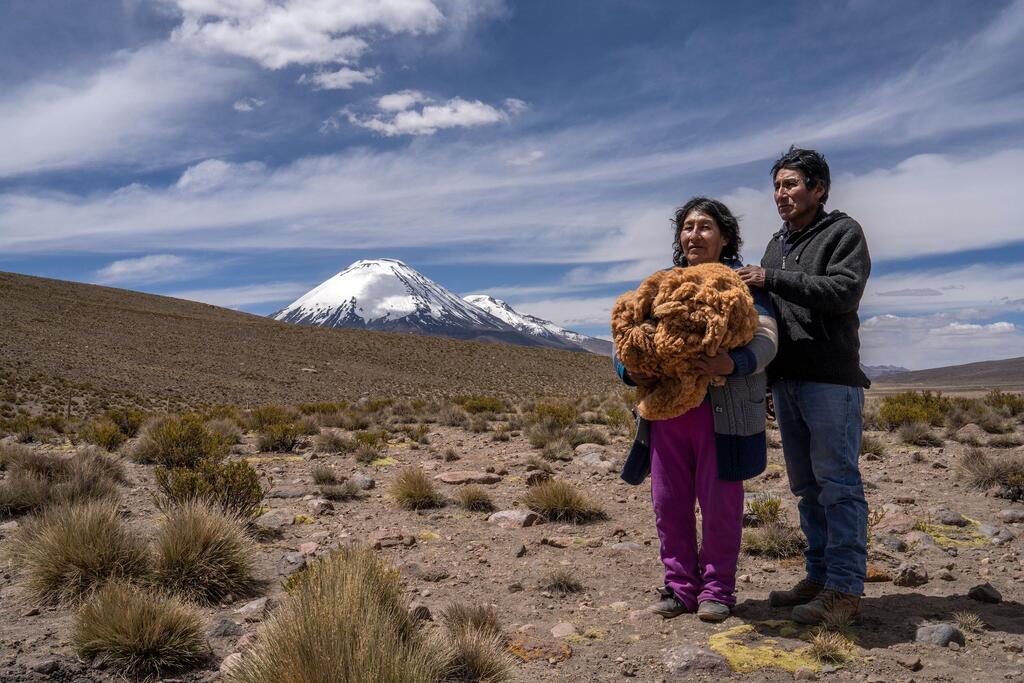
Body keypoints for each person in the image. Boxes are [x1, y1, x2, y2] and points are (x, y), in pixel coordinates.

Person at [616, 197, 778, 623]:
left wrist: (732, 363)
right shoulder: (660, 285)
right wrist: (631, 370)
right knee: (669, 503)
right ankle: (680, 588)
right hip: (667, 414)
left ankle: (718, 591)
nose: (694, 235)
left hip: (722, 413)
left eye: (705, 227)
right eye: (687, 228)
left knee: (720, 503)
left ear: (725, 237)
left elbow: (766, 339)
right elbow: (629, 337)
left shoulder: (743, 286)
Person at [737, 147, 871, 625]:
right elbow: (771, 318)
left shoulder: (842, 233)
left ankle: (844, 589)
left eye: (791, 184)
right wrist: (769, 381)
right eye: (777, 186)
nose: (781, 194)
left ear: (819, 188)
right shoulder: (778, 243)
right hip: (789, 382)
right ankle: (817, 576)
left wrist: (772, 276)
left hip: (831, 380)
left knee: (838, 484)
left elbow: (843, 292)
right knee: (807, 488)